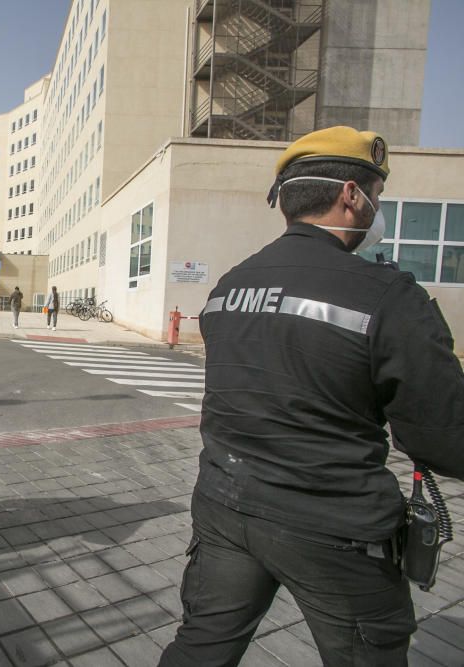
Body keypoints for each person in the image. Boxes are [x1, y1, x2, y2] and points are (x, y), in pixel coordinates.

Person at [159, 126, 464, 666]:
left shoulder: (230, 286)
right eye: (379, 196)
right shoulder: (389, 295)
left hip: (225, 507)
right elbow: (442, 438)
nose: (378, 210)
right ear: (352, 195)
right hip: (333, 527)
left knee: (201, 647)